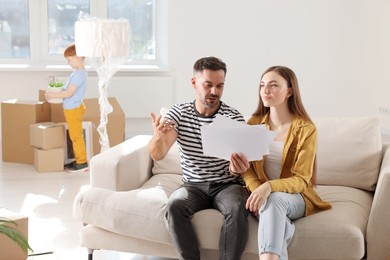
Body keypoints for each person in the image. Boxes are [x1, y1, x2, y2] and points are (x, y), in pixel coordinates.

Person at [148, 56, 250, 260]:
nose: (214, 92)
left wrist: (239, 168)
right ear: (194, 83)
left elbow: (244, 166)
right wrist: (158, 138)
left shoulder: (233, 117)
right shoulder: (178, 114)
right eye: (208, 85)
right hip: (193, 186)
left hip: (228, 185)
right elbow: (157, 154)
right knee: (174, 205)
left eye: (220, 86)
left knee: (237, 207)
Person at [239, 66, 332, 260]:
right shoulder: (254, 124)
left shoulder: (306, 129)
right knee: (275, 211)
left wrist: (269, 187)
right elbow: (246, 169)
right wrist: (258, 189)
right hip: (263, 195)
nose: (266, 90)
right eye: (262, 85)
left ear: (289, 91)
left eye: (274, 85)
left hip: (296, 196)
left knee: (274, 200)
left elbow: (301, 179)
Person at [45, 44, 88, 173]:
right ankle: (80, 159)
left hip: (73, 109)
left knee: (76, 136)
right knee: (75, 135)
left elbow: (69, 93)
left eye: (69, 59)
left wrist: (53, 94)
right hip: (73, 108)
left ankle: (82, 162)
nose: (68, 62)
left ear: (78, 57)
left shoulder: (78, 75)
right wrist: (57, 90)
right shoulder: (77, 73)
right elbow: (67, 89)